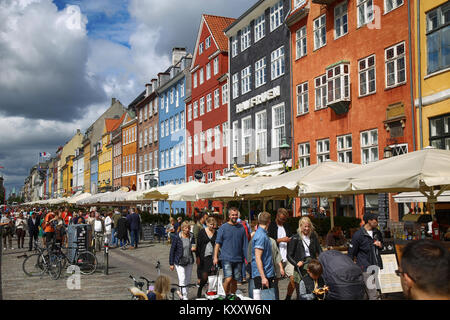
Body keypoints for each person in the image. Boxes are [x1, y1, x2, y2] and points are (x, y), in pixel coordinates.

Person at [213, 207, 248, 296]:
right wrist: (215, 257)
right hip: (226, 258)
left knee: (235, 280)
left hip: (238, 258)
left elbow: (245, 245)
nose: (234, 216)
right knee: (228, 278)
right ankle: (224, 295)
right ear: (229, 216)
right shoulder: (223, 228)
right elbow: (217, 243)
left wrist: (247, 258)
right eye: (233, 215)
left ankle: (231, 296)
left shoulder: (241, 228)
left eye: (236, 215)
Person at [347, 213, 383, 300]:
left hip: (376, 267)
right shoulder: (358, 235)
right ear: (369, 221)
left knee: (366, 295)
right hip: (366, 268)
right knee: (373, 294)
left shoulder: (377, 233)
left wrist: (381, 245)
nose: (377, 222)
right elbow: (351, 253)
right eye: (376, 220)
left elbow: (382, 247)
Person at [287, 217, 322, 293]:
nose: (307, 228)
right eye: (305, 226)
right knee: (300, 290)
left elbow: (319, 250)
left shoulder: (313, 237)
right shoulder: (295, 238)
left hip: (312, 265)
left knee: (313, 287)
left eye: (309, 226)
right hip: (301, 266)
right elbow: (289, 255)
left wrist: (321, 260)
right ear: (300, 226)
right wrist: (296, 263)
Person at [268, 208, 296, 300]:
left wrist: (290, 240)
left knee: (294, 278)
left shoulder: (287, 226)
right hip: (276, 257)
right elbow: (269, 241)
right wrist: (281, 240)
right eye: (281, 219)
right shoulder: (271, 226)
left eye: (284, 219)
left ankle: (288, 297)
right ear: (277, 216)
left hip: (287, 256)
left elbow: (291, 236)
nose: (283, 221)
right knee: (276, 281)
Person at [251, 211, 275, 300]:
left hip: (266, 272)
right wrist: (263, 277)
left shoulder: (263, 234)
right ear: (269, 221)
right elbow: (258, 258)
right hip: (263, 274)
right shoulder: (261, 236)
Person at [169, 221, 196, 300]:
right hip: (179, 261)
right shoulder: (177, 237)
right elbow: (172, 250)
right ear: (182, 228)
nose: (187, 230)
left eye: (188, 228)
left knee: (187, 279)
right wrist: (171, 263)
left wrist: (194, 248)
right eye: (185, 228)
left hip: (189, 260)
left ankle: (184, 294)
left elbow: (193, 245)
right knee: (182, 278)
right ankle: (184, 296)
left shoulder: (191, 236)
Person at [195, 216, 217, 298]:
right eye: (210, 224)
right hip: (204, 257)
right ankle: (200, 288)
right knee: (204, 276)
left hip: (213, 257)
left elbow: (217, 244)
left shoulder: (216, 232)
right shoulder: (202, 232)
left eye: (213, 224)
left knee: (212, 276)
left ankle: (210, 293)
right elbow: (198, 246)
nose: (212, 226)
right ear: (207, 224)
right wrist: (197, 256)